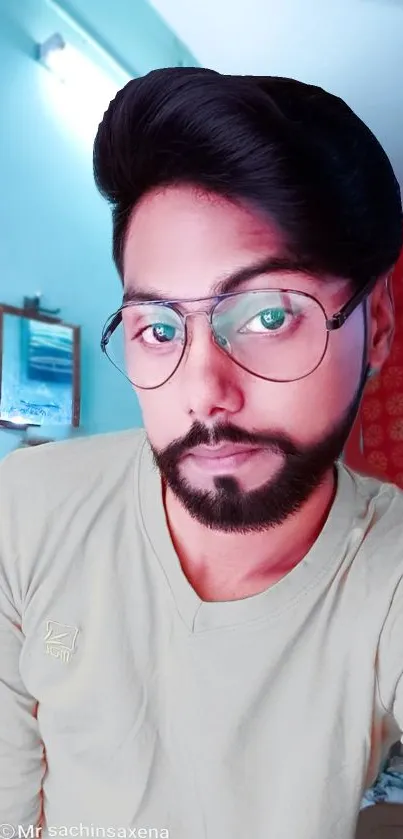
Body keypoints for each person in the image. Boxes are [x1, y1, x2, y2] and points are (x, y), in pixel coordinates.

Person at [0, 67, 402, 839]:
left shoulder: (384, 575)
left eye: (269, 314)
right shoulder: (29, 508)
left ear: (375, 322)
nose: (203, 392)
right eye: (157, 328)